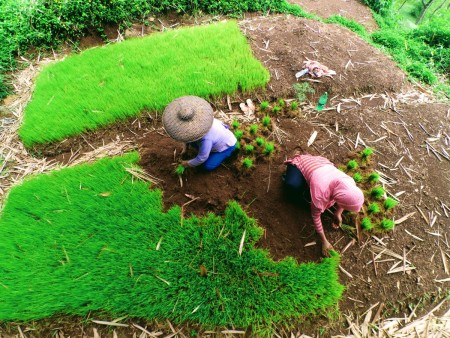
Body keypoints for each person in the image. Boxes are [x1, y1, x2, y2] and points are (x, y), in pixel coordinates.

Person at [283, 153, 364, 257]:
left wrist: (338, 213)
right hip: (302, 164)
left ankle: (306, 181)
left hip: (321, 167)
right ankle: (290, 176)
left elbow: (345, 199)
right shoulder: (320, 194)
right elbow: (315, 216)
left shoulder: (348, 183)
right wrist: (324, 241)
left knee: (313, 191)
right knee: (293, 185)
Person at [162, 96, 237, 171]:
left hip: (226, 146)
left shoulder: (206, 139)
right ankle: (207, 149)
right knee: (193, 142)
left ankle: (224, 155)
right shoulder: (203, 121)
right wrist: (185, 149)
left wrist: (186, 163)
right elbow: (185, 135)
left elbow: (202, 158)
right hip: (215, 139)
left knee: (207, 166)